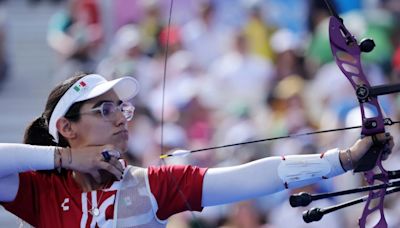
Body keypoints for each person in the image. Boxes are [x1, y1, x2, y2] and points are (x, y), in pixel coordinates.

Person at [0, 73, 393, 227]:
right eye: (105, 109)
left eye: (122, 107)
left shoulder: (150, 186)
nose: (121, 117)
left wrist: (343, 159)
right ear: (66, 128)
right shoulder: (39, 191)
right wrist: (65, 159)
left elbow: (248, 178)